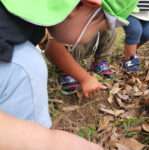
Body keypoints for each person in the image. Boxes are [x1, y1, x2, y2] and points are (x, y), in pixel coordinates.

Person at [0, 0, 139, 149]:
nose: (96, 34)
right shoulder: (21, 64)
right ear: (80, 5)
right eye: (100, 28)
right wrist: (47, 142)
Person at [43, 29, 116, 96]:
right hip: (59, 51)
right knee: (72, 31)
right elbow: (53, 48)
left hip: (85, 44)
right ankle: (66, 72)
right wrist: (86, 79)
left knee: (110, 25)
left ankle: (99, 62)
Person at [123, 0, 149, 72]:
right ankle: (129, 59)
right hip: (129, 11)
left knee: (147, 34)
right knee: (135, 31)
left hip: (147, 14)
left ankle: (131, 50)